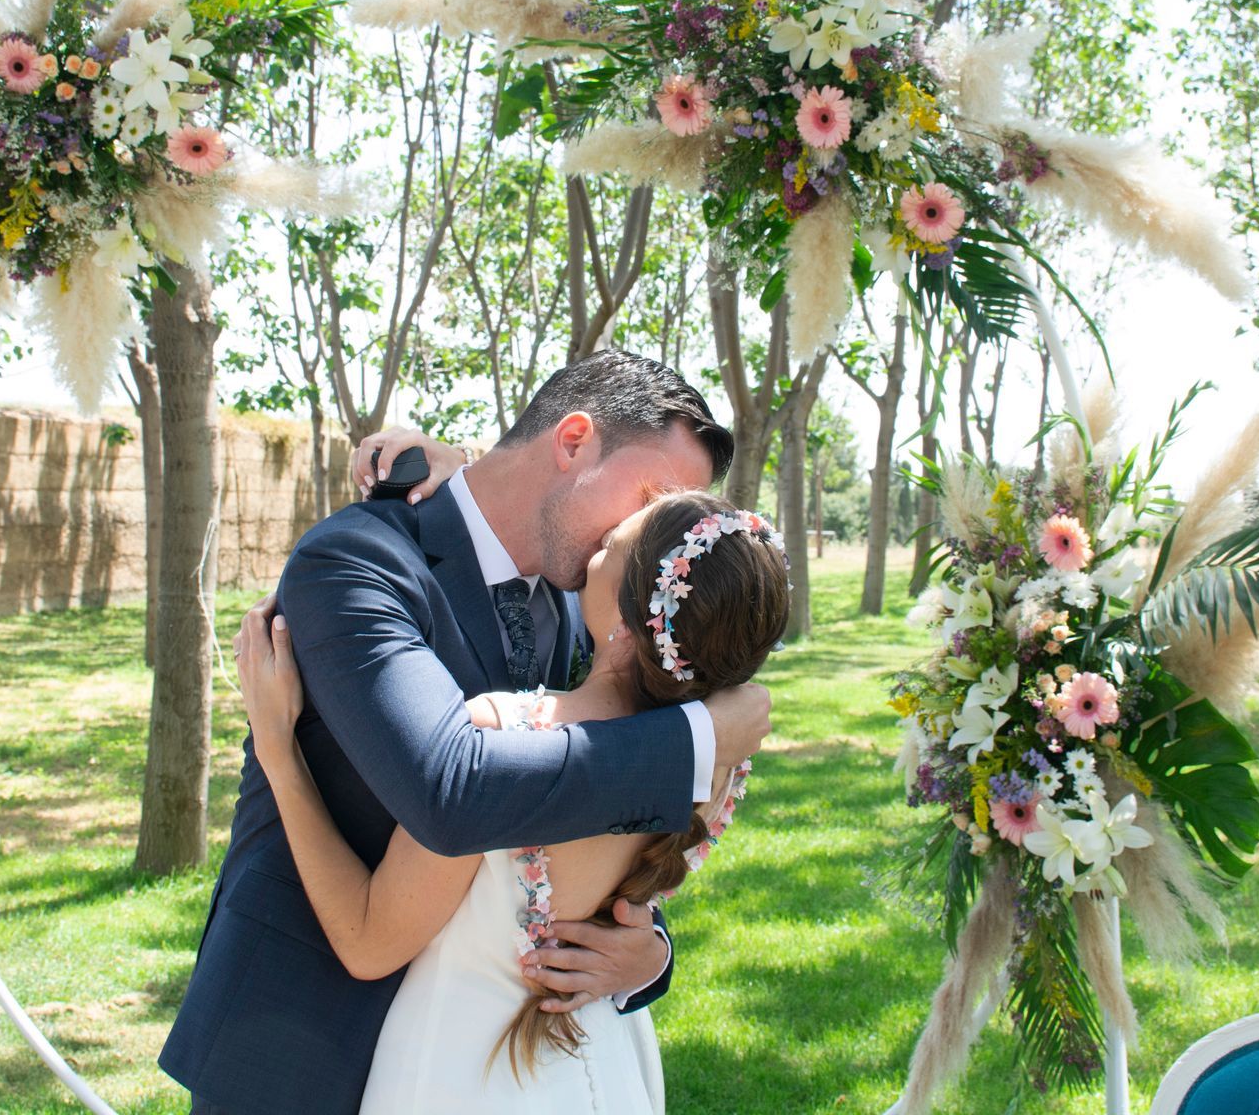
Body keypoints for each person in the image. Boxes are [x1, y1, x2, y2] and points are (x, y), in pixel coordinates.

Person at [158, 350, 773, 1114]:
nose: (649, 531)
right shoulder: (359, 561)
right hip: (300, 1039)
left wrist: (645, 949)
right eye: (650, 495)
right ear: (573, 441)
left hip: (477, 1066)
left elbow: (574, 814)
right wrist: (697, 743)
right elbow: (449, 791)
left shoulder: (582, 606)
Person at [237, 489, 791, 1111]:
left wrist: (278, 751)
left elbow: (368, 942)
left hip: (462, 1073)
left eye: (610, 547)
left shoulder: (500, 737)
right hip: (609, 1066)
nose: (592, 549)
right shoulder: (718, 756)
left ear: (628, 626)